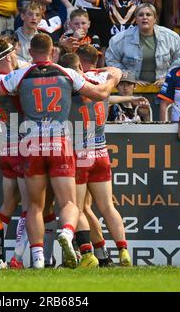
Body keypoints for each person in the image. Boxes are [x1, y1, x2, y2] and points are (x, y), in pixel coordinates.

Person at [0, 33, 121, 269]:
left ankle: (32, 259)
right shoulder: (64, 72)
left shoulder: (17, 75)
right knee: (69, 203)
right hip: (59, 142)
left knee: (29, 207)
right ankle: (69, 237)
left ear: (30, 52)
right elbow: (100, 93)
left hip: (25, 144)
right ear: (52, 51)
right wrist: (111, 80)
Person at [59, 48, 131, 267]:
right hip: (100, 151)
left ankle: (88, 254)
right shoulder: (99, 78)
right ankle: (123, 251)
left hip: (78, 154)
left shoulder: (66, 86)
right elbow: (116, 71)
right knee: (108, 206)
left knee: (76, 208)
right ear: (81, 66)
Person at [0, 36, 29, 269]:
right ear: (10, 55)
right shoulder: (10, 80)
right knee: (30, 206)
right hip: (22, 145)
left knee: (8, 205)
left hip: (7, 145)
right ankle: (16, 259)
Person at [105, 2, 180, 87]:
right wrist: (129, 78)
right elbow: (111, 60)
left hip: (163, 87)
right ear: (135, 19)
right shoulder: (119, 39)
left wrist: (168, 77)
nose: (144, 17)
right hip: (131, 89)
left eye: (148, 14)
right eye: (140, 15)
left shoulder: (171, 37)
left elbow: (179, 57)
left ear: (155, 19)